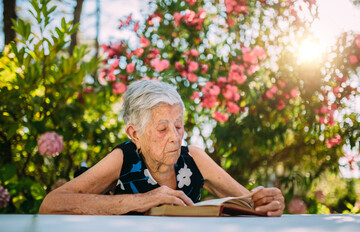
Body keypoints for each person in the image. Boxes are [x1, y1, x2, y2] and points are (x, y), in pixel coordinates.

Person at [39, 80, 285, 216]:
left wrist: (267, 200)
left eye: (179, 126)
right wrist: (144, 200)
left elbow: (249, 203)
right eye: (162, 129)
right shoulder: (124, 159)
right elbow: (51, 204)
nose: (175, 137)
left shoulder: (194, 158)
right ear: (135, 134)